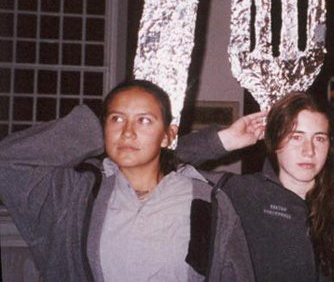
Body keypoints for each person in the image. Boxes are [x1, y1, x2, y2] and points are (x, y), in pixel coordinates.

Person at [0, 79, 263, 282]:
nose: (127, 132)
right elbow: (8, 161)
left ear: (168, 135)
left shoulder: (208, 200)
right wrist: (92, 131)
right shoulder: (71, 195)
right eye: (116, 119)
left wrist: (219, 141)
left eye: (144, 121)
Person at [182, 91, 334, 282]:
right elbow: (164, 167)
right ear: (274, 142)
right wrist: (224, 140)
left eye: (319, 139)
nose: (308, 151)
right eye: (296, 137)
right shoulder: (240, 195)